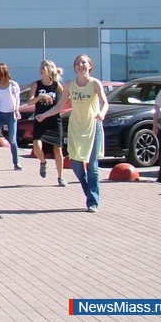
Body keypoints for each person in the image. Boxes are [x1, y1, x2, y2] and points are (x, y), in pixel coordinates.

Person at [36, 54, 108, 212]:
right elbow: (60, 106)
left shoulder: (95, 83)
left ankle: (92, 201)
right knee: (76, 165)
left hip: (93, 127)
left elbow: (104, 102)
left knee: (92, 167)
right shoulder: (69, 85)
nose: (80, 65)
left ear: (90, 66)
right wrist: (44, 114)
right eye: (77, 63)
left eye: (83, 62)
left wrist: (101, 113)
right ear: (75, 67)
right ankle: (88, 190)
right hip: (76, 128)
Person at [28, 60, 67, 187]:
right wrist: (41, 97)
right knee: (36, 146)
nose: (40, 70)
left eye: (43, 68)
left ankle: (60, 177)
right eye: (40, 67)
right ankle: (43, 162)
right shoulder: (36, 84)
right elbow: (29, 102)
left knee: (58, 149)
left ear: (49, 70)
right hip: (40, 119)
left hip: (54, 120)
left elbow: (66, 98)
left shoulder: (56, 85)